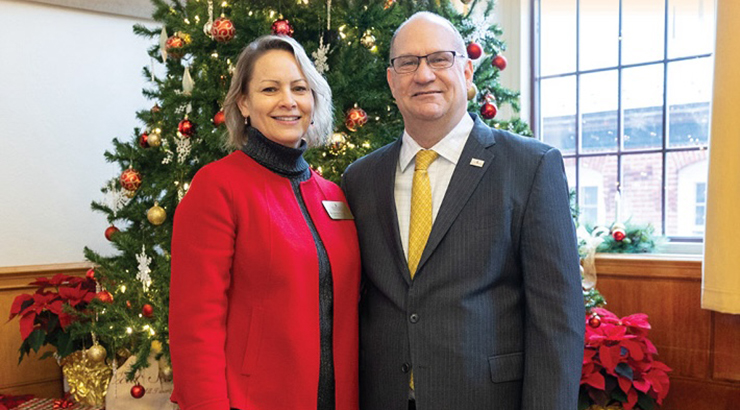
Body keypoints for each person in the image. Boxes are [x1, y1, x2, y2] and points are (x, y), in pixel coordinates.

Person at [341, 12, 584, 410]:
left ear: (467, 72)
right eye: (408, 62)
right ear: (391, 81)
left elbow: (558, 322)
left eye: (440, 59)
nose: (423, 75)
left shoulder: (530, 167)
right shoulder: (360, 179)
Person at [169, 35, 360, 410]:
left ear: (314, 99)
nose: (288, 101)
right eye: (270, 89)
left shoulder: (333, 195)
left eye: (299, 88)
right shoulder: (218, 187)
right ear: (243, 103)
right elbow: (195, 327)